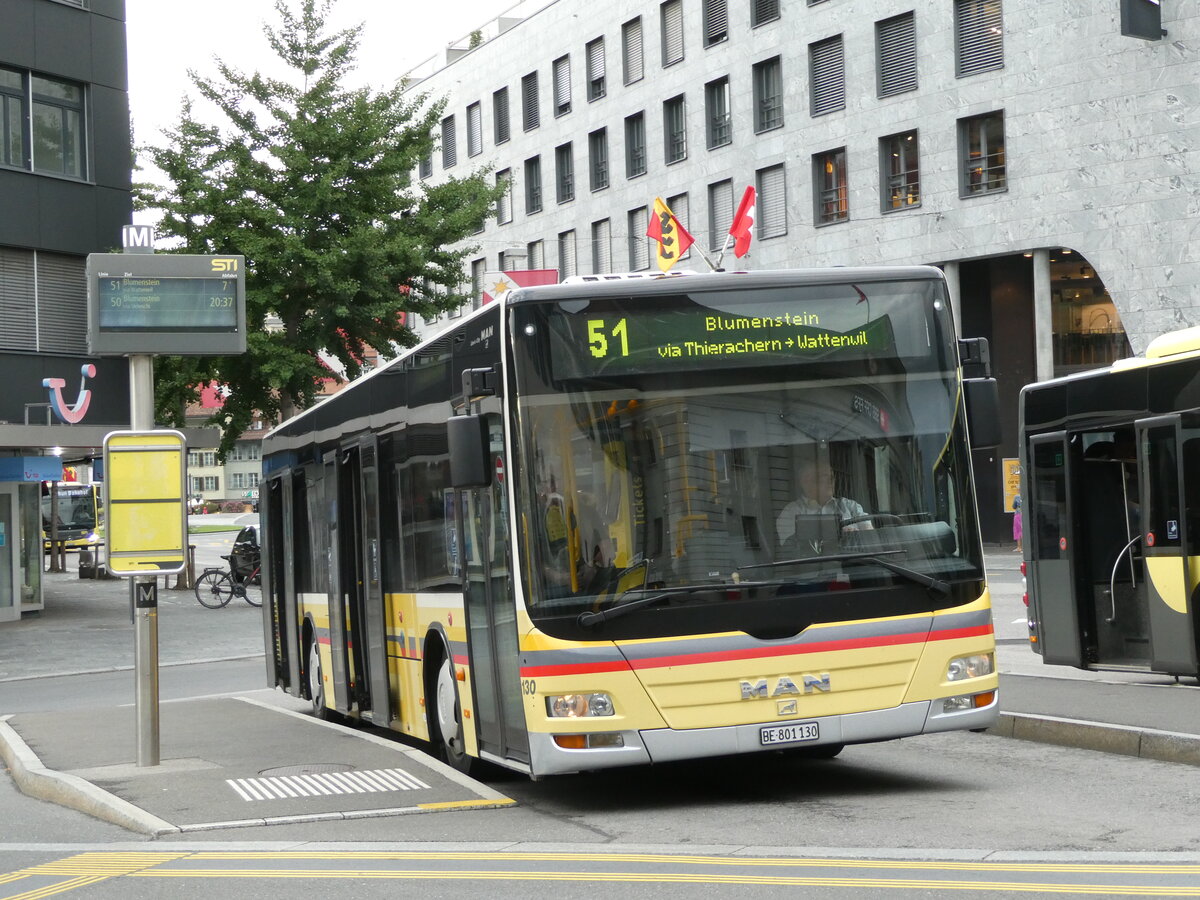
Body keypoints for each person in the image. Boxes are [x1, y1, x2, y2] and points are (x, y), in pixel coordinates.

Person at [776, 454, 873, 547]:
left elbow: (871, 537)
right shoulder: (791, 512)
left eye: (831, 477)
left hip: (855, 563)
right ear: (806, 482)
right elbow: (790, 549)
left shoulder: (850, 506)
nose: (830, 482)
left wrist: (855, 535)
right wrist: (837, 535)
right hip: (811, 564)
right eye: (823, 478)